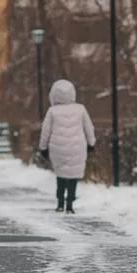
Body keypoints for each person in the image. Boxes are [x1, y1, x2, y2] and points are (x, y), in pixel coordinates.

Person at [39, 79, 96, 214]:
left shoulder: (52, 111)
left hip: (57, 148)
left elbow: (45, 131)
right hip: (77, 147)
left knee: (61, 176)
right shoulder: (80, 109)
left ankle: (60, 203)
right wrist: (91, 143)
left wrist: (43, 147)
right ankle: (70, 204)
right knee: (73, 176)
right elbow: (89, 127)